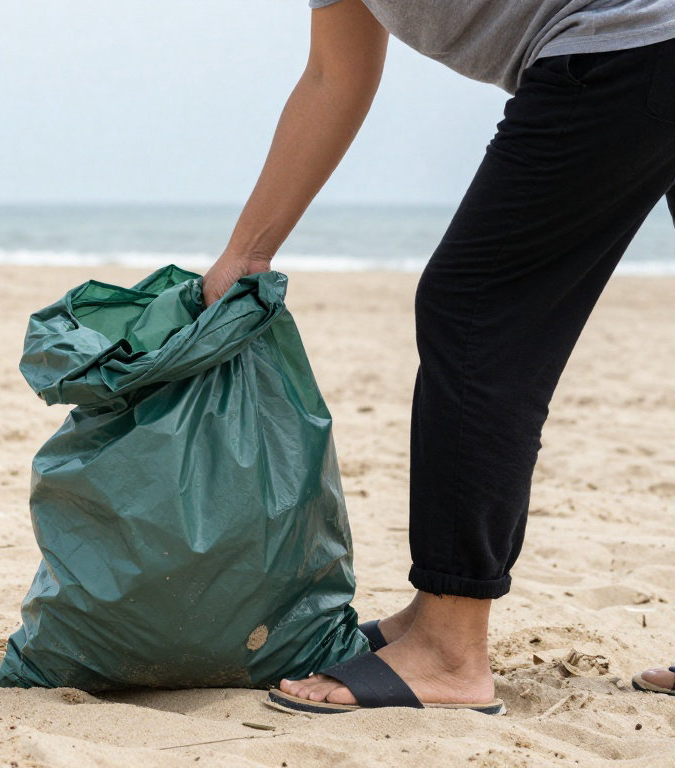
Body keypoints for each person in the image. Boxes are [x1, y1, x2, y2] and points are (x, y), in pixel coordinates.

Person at [200, 0, 675, 713]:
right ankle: (433, 626)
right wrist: (249, 251)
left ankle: (449, 650)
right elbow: (336, 73)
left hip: (626, 46)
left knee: (475, 309)